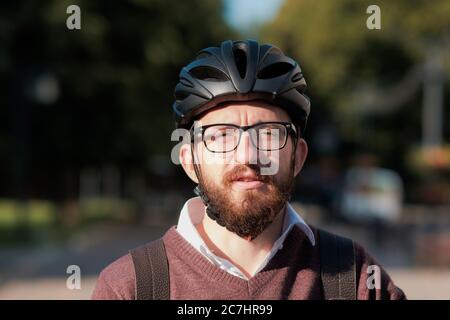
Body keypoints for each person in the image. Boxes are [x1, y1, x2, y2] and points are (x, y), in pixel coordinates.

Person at [92, 39, 406, 300]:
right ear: (189, 160)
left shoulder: (357, 281)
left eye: (268, 134)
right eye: (221, 136)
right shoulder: (130, 288)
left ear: (298, 157)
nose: (247, 155)